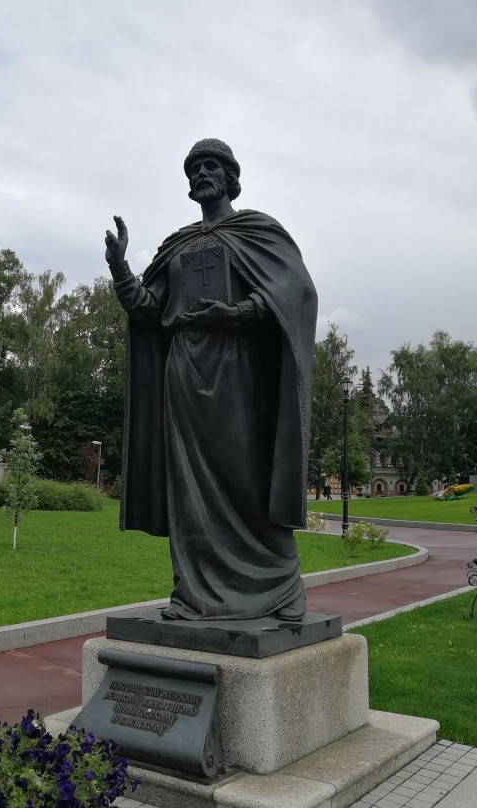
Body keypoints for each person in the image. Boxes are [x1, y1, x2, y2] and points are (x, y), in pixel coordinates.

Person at [104, 139, 317, 621]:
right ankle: (194, 593)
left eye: (211, 165)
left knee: (247, 474)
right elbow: (147, 309)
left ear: (230, 176)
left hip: (237, 366)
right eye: (194, 167)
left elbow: (295, 292)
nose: (201, 172)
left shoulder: (258, 231)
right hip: (184, 366)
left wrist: (238, 313)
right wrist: (120, 266)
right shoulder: (176, 246)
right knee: (189, 485)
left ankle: (283, 587)